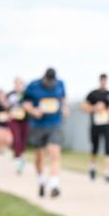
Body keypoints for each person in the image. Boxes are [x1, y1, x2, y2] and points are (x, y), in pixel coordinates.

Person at [23, 68, 68, 198]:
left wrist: (65, 108)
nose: (51, 85)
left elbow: (64, 99)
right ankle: (42, 181)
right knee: (39, 157)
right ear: (44, 78)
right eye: (49, 82)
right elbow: (25, 103)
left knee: (54, 152)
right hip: (38, 125)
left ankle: (54, 185)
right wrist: (32, 110)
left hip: (54, 124)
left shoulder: (60, 84)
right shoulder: (33, 86)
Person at [82, 73, 109, 182]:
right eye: (102, 80)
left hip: (107, 125)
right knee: (95, 148)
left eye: (105, 81)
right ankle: (93, 167)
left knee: (108, 148)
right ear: (100, 81)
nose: (103, 82)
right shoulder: (93, 94)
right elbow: (84, 107)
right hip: (95, 125)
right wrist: (94, 107)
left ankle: (108, 172)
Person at [7, 77, 29, 174]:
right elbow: (6, 106)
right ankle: (18, 160)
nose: (18, 85)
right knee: (16, 139)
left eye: (20, 84)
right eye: (16, 84)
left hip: (25, 119)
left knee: (23, 139)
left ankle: (21, 155)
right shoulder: (10, 94)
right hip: (14, 119)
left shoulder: (27, 94)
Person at [0, 89, 13, 156]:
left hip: (8, 124)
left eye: (3, 95)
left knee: (9, 140)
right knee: (1, 139)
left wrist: (9, 116)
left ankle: (5, 149)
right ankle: (0, 153)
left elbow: (12, 112)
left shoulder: (9, 103)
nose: (2, 96)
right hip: (0, 124)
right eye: (1, 95)